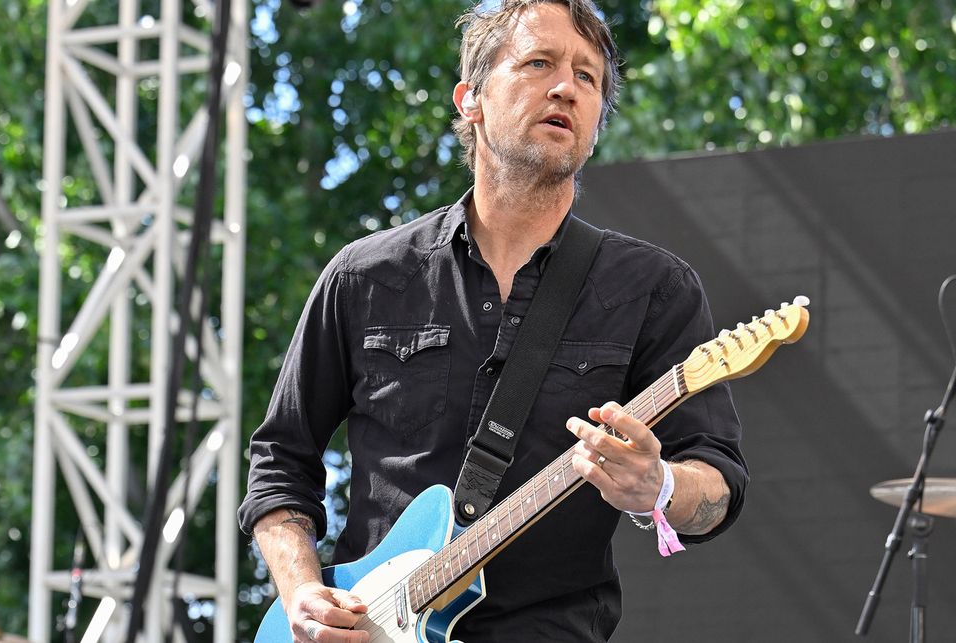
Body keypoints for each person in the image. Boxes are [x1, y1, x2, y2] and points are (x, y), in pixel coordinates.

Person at [238, 1, 747, 641]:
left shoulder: (653, 289)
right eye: (539, 63)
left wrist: (662, 483)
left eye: (588, 77)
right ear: (470, 100)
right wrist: (302, 593)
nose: (567, 86)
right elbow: (280, 459)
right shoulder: (365, 277)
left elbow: (719, 488)